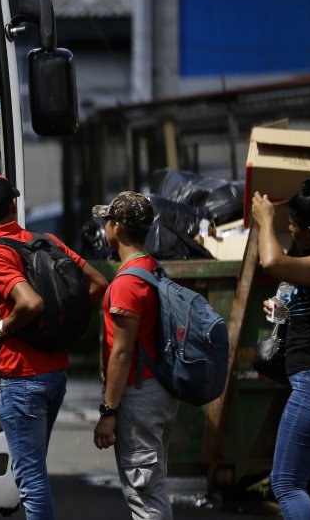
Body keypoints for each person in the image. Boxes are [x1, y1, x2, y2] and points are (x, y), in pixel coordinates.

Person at [0, 173, 107, 520]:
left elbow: (30, 303)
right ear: (14, 205)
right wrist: (58, 327)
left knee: (29, 480)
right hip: (55, 372)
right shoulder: (45, 241)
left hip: (22, 377)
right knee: (34, 472)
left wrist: (1, 327)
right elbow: (97, 283)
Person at [251, 176, 310, 520]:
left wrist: (264, 222)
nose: (289, 229)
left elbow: (271, 263)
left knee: (286, 483)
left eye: (293, 225)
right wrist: (281, 309)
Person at [91, 191, 176, 520]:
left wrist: (108, 411)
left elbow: (122, 353)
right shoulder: (152, 269)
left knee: (145, 496)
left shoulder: (127, 283)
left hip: (138, 395)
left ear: (118, 228)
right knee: (153, 488)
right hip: (158, 390)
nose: (104, 228)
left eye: (107, 221)